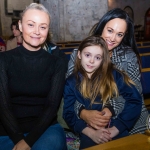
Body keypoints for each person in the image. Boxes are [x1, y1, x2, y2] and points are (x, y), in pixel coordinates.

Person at [66, 8, 148, 139]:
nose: (113, 38)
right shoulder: (79, 54)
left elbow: (135, 95)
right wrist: (83, 113)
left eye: (119, 34)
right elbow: (71, 92)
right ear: (102, 26)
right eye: (110, 31)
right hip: (88, 121)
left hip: (125, 118)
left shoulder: (128, 56)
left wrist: (110, 109)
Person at [0, 3, 67, 150]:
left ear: (48, 30)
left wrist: (28, 141)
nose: (37, 31)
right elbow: (3, 106)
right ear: (20, 25)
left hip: (45, 129)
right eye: (31, 25)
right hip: (8, 129)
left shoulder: (57, 62)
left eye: (43, 27)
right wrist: (19, 139)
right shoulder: (3, 60)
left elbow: (51, 106)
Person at [63, 35, 142, 149]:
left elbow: (135, 100)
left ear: (103, 60)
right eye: (88, 55)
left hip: (116, 126)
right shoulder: (71, 82)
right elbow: (68, 113)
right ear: (79, 55)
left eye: (98, 57)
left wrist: (115, 129)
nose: (91, 60)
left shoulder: (114, 75)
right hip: (88, 130)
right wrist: (91, 133)